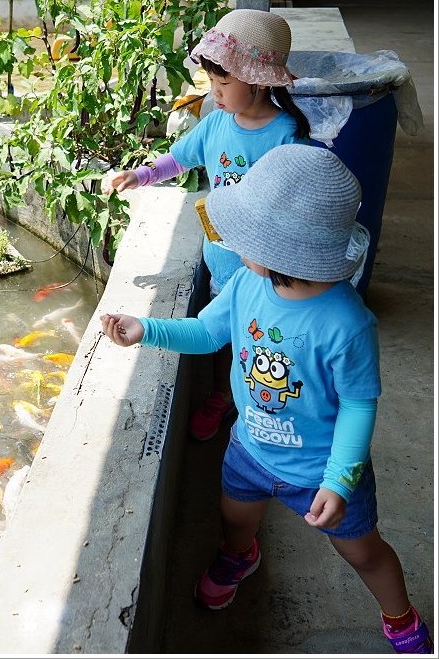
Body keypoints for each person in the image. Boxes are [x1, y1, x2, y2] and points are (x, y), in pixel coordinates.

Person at [100, 144, 432, 654]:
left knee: (363, 552)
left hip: (322, 472)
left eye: (244, 234)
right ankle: (240, 556)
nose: (233, 242)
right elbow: (206, 334)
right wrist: (145, 329)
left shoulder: (347, 324)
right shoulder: (246, 286)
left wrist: (340, 481)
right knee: (234, 515)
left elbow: (360, 405)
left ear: (280, 250)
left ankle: (399, 615)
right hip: (250, 451)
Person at [102, 8, 312, 443]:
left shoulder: (287, 135)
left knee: (268, 343)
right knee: (225, 335)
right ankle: (223, 395)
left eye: (223, 83)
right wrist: (138, 176)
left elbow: (302, 204)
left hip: (272, 272)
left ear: (257, 81)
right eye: (212, 82)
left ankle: (266, 408)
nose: (214, 92)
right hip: (222, 263)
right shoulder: (216, 123)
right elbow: (179, 158)